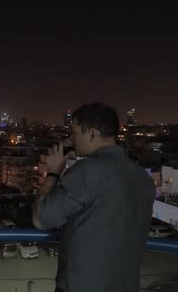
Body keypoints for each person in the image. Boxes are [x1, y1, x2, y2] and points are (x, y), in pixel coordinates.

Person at [32, 103, 155, 292]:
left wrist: (53, 173)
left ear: (91, 133)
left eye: (74, 132)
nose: (71, 139)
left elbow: (40, 219)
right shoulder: (143, 178)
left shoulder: (87, 171)